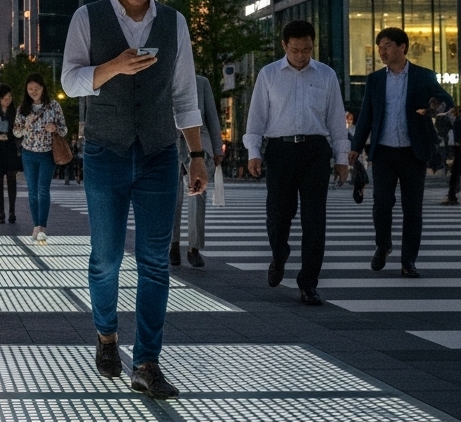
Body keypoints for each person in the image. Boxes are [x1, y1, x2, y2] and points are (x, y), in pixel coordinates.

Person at [61, 0, 207, 399]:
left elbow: (184, 93)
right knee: (105, 259)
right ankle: (106, 335)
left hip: (161, 153)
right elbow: (70, 81)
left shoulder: (174, 22)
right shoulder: (88, 17)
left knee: (154, 263)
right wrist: (113, 68)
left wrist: (197, 155)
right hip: (106, 149)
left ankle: (147, 361)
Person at [244, 19, 350, 305]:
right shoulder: (268, 75)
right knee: (278, 216)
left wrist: (342, 158)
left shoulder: (326, 75)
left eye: (307, 49)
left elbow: (336, 120)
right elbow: (256, 118)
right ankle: (279, 256)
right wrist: (253, 152)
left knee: (315, 220)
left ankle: (308, 283)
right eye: (295, 50)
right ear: (284, 46)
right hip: (280, 151)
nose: (302, 55)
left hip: (316, 150)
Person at [348, 27, 453, 277]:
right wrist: (354, 147)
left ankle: (408, 262)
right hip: (383, 152)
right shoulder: (375, 80)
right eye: (380, 47)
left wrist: (433, 107)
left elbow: (445, 100)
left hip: (412, 152)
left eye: (387, 46)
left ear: (402, 47)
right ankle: (383, 245)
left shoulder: (423, 76)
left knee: (412, 209)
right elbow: (366, 116)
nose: (382, 51)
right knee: (382, 204)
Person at [170, 74, 223, 267]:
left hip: (199, 145)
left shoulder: (201, 82)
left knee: (198, 197)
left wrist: (217, 149)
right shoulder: (164, 76)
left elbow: (212, 116)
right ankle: (173, 245)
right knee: (172, 197)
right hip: (171, 143)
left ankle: (194, 248)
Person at [13, 73, 67, 242]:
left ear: (43, 88)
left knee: (43, 189)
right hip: (28, 153)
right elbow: (15, 131)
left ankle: (42, 226)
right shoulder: (22, 108)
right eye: (30, 89)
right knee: (32, 190)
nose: (33, 91)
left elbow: (64, 130)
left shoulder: (54, 106)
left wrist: (54, 128)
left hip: (47, 154)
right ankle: (36, 225)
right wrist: (24, 127)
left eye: (36, 88)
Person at [0, 83, 22, 224]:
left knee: (12, 179)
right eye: (5, 98)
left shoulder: (14, 112)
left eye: (9, 98)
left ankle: (12, 211)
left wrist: (10, 136)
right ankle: (1, 212)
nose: (8, 100)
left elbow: (18, 130)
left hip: (10, 146)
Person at [443, 108, 461, 205]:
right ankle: (452, 195)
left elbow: (457, 138)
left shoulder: (457, 122)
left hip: (458, 151)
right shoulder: (457, 122)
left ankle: (452, 195)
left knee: (455, 173)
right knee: (455, 173)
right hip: (457, 150)